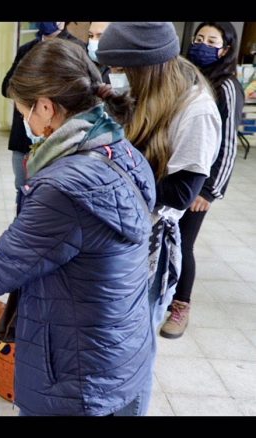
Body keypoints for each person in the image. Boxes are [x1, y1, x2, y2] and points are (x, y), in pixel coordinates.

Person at [0, 38, 156, 416]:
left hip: (75, 374)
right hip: (119, 349)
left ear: (45, 108)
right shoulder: (123, 151)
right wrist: (18, 242)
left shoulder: (64, 185)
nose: (25, 123)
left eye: (23, 112)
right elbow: (77, 241)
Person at [97, 22, 222, 332]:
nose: (116, 74)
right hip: (122, 224)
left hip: (150, 237)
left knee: (135, 333)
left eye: (121, 69)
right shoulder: (146, 87)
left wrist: (111, 178)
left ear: (146, 69)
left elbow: (181, 193)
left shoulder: (196, 112)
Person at [160, 22, 244, 338]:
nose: (202, 45)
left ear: (225, 49)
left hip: (199, 184)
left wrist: (209, 191)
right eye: (198, 39)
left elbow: (228, 144)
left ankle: (181, 306)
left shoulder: (226, 87)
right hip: (178, 172)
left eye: (211, 41)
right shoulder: (189, 78)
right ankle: (166, 294)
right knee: (169, 238)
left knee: (185, 243)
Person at [1, 22, 85, 216]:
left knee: (48, 199)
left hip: (58, 139)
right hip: (25, 140)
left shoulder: (76, 49)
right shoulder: (27, 49)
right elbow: (7, 86)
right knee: (23, 190)